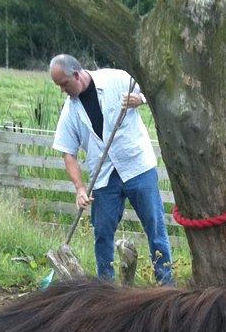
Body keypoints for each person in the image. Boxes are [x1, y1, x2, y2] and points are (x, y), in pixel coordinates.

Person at [50, 54, 173, 284]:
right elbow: (68, 153)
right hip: (104, 177)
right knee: (102, 233)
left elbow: (153, 90)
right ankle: (105, 287)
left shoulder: (117, 79)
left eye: (64, 84)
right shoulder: (70, 112)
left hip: (137, 166)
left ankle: (165, 284)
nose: (63, 91)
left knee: (155, 227)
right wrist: (80, 188)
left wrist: (140, 99)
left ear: (76, 74)